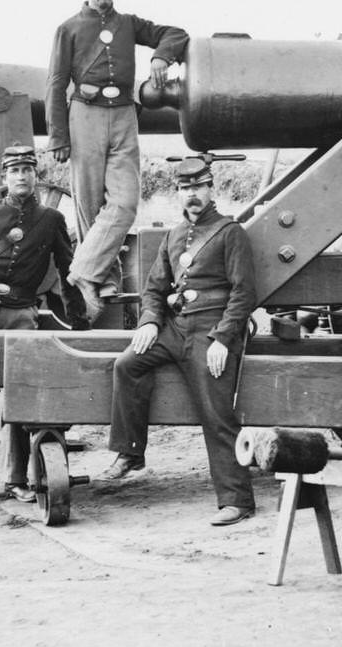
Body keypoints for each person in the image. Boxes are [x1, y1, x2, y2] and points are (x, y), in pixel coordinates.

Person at [99, 154, 258, 526]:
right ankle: (131, 452)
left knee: (215, 411)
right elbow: (153, 289)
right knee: (128, 364)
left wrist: (222, 338)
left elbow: (243, 293)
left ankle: (237, 499)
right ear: (179, 193)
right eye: (185, 188)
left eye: (198, 187)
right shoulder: (172, 236)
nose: (192, 194)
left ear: (210, 188)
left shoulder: (229, 232)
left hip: (212, 329)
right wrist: (151, 322)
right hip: (174, 328)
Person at [46, 0, 190, 321]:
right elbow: (56, 83)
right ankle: (104, 283)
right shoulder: (69, 28)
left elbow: (175, 34)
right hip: (85, 115)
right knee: (89, 207)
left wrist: (161, 57)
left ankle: (81, 271)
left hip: (125, 114)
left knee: (125, 203)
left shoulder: (128, 24)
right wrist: (58, 136)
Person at [0, 143, 87, 504]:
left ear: (36, 176)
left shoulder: (51, 220)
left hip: (20, 313)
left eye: (28, 170)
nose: (22, 176)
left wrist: (78, 320)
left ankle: (16, 480)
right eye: (15, 171)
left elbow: (66, 269)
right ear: (4, 178)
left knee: (20, 395)